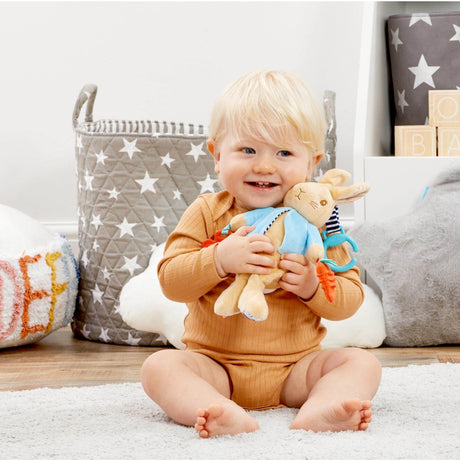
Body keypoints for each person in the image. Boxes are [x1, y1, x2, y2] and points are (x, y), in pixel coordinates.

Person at [141, 70, 382, 438]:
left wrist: (311, 286)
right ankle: (215, 408)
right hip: (215, 366)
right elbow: (171, 282)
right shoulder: (208, 211)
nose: (264, 166)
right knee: (159, 367)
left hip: (296, 370)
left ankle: (321, 407)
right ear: (217, 155)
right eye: (248, 150)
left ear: (311, 163)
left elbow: (349, 301)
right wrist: (219, 259)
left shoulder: (318, 220)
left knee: (361, 363)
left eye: (284, 153)